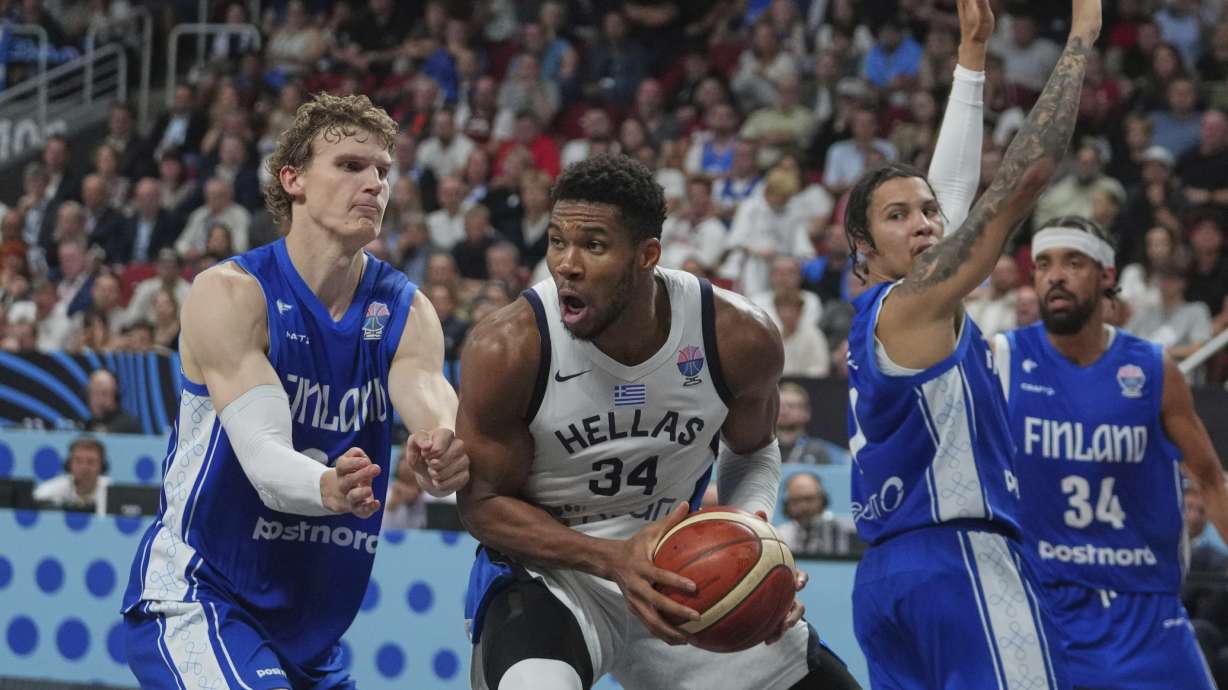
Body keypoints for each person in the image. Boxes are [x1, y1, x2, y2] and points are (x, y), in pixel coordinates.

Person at [456, 152, 861, 690]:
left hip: (683, 569)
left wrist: (753, 541)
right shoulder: (508, 348)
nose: (566, 265)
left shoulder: (737, 335)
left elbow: (753, 450)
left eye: (593, 246)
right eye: (557, 241)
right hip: (551, 575)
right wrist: (611, 557)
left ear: (647, 255)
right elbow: (482, 505)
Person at [120, 93, 470, 689]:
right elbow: (263, 458)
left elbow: (431, 401)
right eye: (351, 165)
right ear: (294, 179)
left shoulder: (406, 311)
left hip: (310, 635)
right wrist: (328, 486)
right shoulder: (231, 293)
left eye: (384, 171)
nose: (375, 184)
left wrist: (446, 450)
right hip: (201, 594)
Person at [844, 0, 1100, 687]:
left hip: (884, 582)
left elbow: (949, 191)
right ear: (863, 248)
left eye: (928, 213)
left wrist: (971, 60)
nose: (927, 223)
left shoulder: (884, 317)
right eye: (900, 216)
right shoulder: (915, 303)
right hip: (959, 558)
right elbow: (1023, 181)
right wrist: (1079, 40)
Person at [996, 215, 1224, 689]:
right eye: (1043, 264)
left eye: (1072, 262)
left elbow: (1209, 478)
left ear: (1107, 277)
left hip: (1146, 610)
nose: (1055, 275)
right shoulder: (1004, 358)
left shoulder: (1153, 369)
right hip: (1044, 610)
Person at [776, 471, 861, 558]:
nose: (804, 507)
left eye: (809, 499)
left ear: (822, 500)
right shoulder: (779, 537)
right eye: (796, 500)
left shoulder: (845, 532)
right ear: (786, 505)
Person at [33, 435, 110, 515]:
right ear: (69, 464)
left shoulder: (111, 491)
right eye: (78, 461)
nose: (84, 467)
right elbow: (32, 503)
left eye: (91, 462)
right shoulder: (53, 488)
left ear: (102, 466)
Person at [82, 368, 141, 434]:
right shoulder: (86, 426)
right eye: (94, 393)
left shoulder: (130, 425)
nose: (99, 399)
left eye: (104, 393)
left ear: (115, 396)